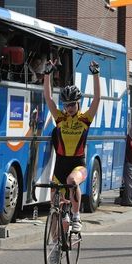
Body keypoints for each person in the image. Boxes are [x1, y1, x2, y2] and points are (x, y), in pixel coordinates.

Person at [43, 59, 101, 233]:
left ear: (78, 104)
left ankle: (76, 217)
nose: (68, 108)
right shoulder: (60, 118)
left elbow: (97, 98)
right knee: (54, 208)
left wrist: (96, 74)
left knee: (71, 181)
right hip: (60, 165)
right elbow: (47, 97)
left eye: (72, 104)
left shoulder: (85, 119)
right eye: (66, 105)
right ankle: (54, 244)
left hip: (78, 164)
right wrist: (46, 75)